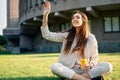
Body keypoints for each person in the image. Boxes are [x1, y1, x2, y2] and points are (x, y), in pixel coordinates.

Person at [41, 1, 112, 80]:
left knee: (108, 66)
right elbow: (46, 35)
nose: (74, 19)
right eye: (73, 18)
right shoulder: (67, 35)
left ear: (84, 20)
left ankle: (75, 78)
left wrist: (91, 64)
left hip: (85, 71)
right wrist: (45, 15)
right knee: (54, 66)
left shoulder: (91, 38)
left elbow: (95, 58)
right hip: (68, 70)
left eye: (77, 17)